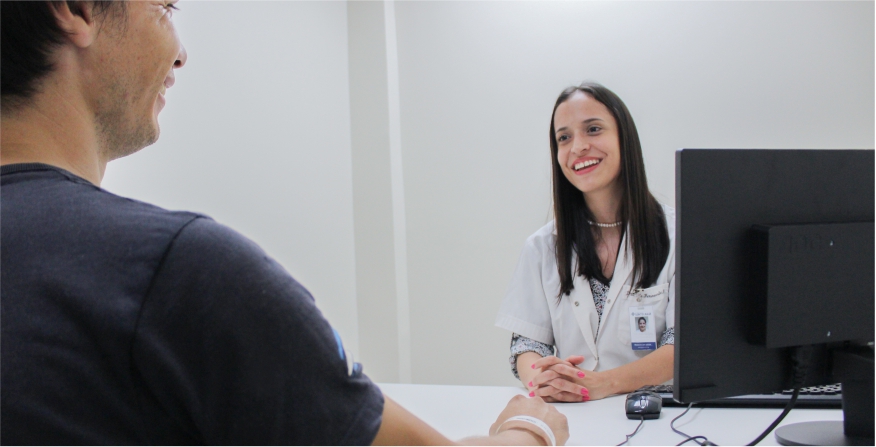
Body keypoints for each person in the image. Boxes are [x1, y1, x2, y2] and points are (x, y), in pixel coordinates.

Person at [0, 2, 568, 445]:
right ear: (77, 8)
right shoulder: (178, 270)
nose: (180, 54)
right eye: (165, 7)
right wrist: (530, 429)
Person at [495, 82, 675, 403]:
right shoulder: (542, 247)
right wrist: (545, 381)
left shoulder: (678, 235)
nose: (578, 147)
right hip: (575, 415)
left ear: (624, 138)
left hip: (658, 414)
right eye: (564, 137)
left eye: (593, 129)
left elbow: (684, 344)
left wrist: (604, 383)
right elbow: (528, 344)